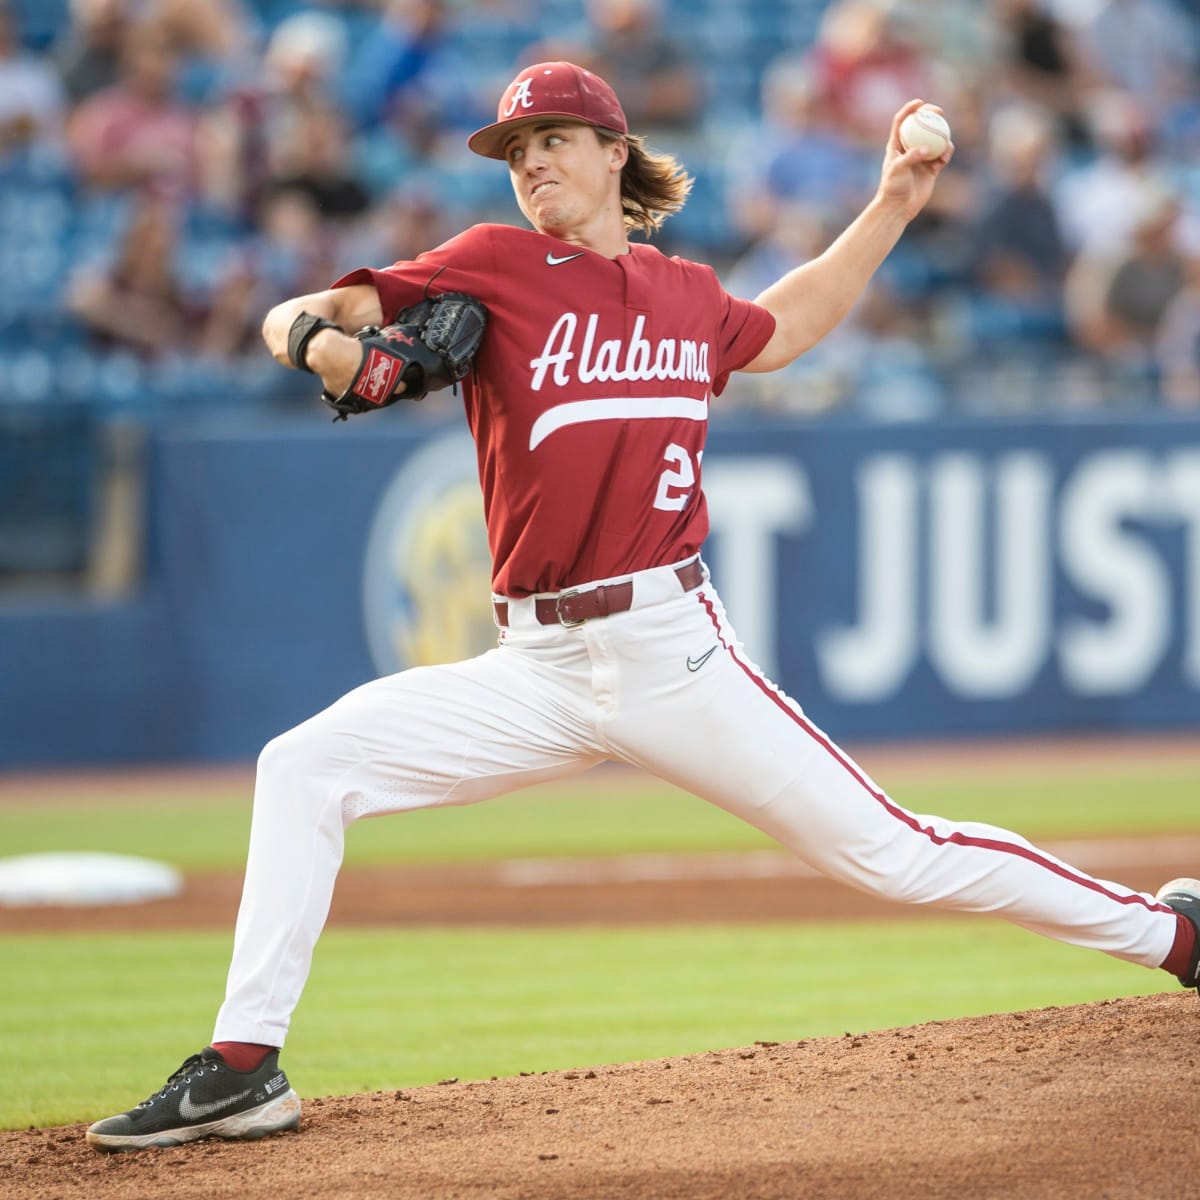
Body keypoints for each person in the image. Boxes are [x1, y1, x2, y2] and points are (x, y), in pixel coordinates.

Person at [85, 59, 1200, 1153]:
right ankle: (242, 1070)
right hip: (532, 669)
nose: (531, 168)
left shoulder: (685, 295)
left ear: (615, 153)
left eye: (552, 143)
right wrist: (324, 343)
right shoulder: (492, 265)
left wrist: (894, 201)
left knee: (894, 854)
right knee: (302, 767)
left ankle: (1173, 935)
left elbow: (790, 323)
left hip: (672, 653)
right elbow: (309, 308)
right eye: (515, 154)